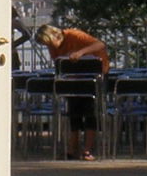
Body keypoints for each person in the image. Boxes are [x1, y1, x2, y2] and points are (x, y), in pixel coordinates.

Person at [37, 23, 110, 161]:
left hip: (94, 76)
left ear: (55, 36)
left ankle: (87, 149)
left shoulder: (74, 35)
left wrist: (81, 52)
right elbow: (59, 63)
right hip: (74, 78)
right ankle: (72, 148)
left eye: (49, 43)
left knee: (90, 111)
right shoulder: (53, 48)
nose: (50, 47)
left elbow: (100, 45)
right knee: (73, 111)